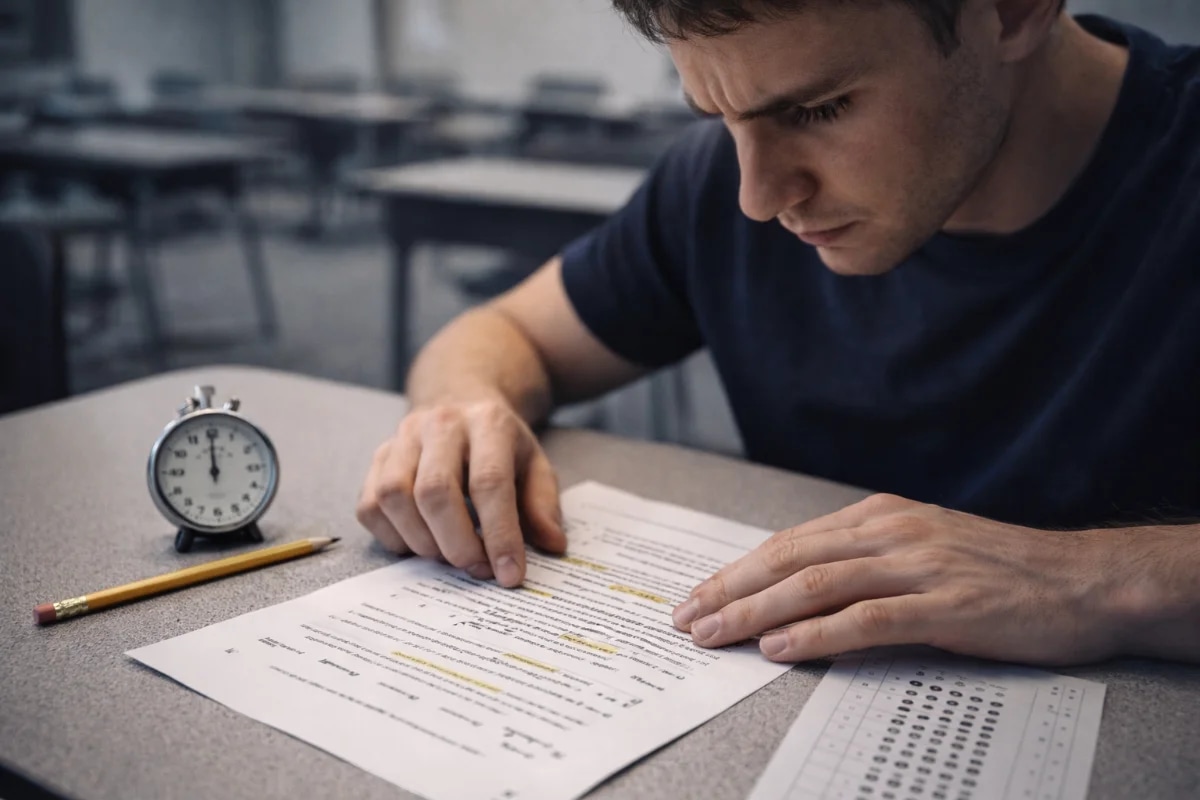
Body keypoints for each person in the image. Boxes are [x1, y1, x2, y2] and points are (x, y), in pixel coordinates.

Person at [356, 0, 1200, 667]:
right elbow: (502, 334)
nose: (758, 197)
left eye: (820, 108)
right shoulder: (714, 185)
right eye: (720, 116)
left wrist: (1089, 581)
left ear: (1012, 9)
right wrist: (463, 411)